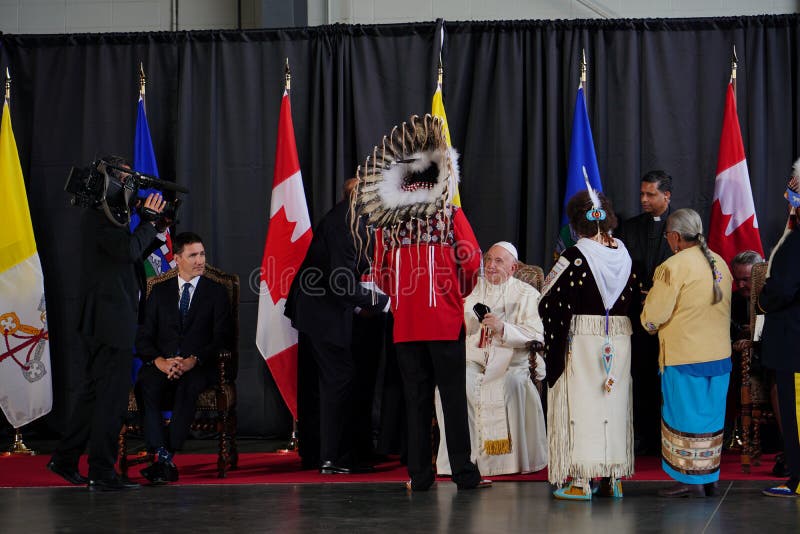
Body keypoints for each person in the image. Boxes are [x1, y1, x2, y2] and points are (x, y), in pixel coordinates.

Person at [47, 155, 166, 491]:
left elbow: (126, 260)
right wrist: (147, 223)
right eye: (126, 180)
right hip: (108, 321)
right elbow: (128, 251)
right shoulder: (100, 218)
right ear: (110, 180)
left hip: (108, 320)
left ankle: (65, 459)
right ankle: (102, 471)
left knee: (93, 394)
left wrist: (154, 227)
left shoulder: (110, 218)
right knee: (110, 400)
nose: (130, 187)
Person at [284, 178, 390, 474]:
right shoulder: (343, 223)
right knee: (337, 380)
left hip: (326, 307)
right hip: (321, 311)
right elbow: (341, 283)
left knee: (337, 379)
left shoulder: (352, 218)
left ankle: (335, 452)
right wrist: (382, 302)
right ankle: (333, 458)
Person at [539, 190, 637, 501]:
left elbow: (546, 300)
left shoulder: (574, 256)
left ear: (576, 223)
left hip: (581, 339)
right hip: (618, 341)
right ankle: (613, 478)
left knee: (581, 406)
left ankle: (581, 481)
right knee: (612, 404)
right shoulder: (624, 253)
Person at [641, 208, 732, 498]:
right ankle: (709, 476)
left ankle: (687, 479)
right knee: (711, 419)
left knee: (684, 419)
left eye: (668, 235)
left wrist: (648, 322)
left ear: (676, 237)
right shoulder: (719, 263)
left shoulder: (673, 266)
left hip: (685, 357)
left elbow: (655, 314)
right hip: (719, 357)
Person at [435, 241, 547, 476]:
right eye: (488, 260)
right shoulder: (474, 290)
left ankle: (505, 462)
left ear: (514, 268)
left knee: (509, 384)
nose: (491, 266)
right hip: (476, 360)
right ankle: (463, 459)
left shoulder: (528, 294)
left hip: (512, 362)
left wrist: (503, 328)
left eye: (498, 261)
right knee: (451, 386)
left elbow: (537, 335)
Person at [134, 232, 232, 484]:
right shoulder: (158, 292)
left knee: (188, 386)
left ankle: (166, 456)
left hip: (200, 366)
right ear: (177, 258)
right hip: (164, 364)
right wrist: (160, 362)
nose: (200, 260)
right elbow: (143, 337)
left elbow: (222, 338)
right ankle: (161, 454)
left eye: (202, 254)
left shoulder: (217, 292)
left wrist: (192, 360)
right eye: (193, 255)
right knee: (146, 382)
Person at [616, 170, 675, 455]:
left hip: (671, 320)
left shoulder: (683, 227)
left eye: (650, 194)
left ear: (667, 196)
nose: (644, 199)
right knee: (639, 375)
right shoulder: (629, 227)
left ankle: (668, 435)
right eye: (642, 193)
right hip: (636, 315)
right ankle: (642, 436)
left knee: (667, 379)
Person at [759, 176, 800, 498]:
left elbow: (782, 290)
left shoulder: (795, 244)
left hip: (794, 344)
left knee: (795, 413)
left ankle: (798, 480)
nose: (790, 206)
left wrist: (764, 296)